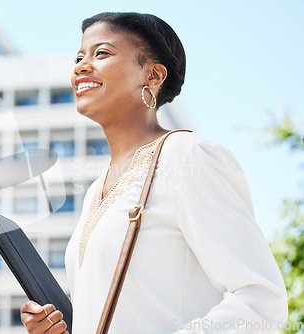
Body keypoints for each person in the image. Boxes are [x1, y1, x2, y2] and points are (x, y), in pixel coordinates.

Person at [21, 12, 288, 333]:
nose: (80, 66)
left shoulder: (187, 156)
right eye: (79, 57)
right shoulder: (95, 190)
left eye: (102, 53)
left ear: (153, 75)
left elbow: (263, 302)